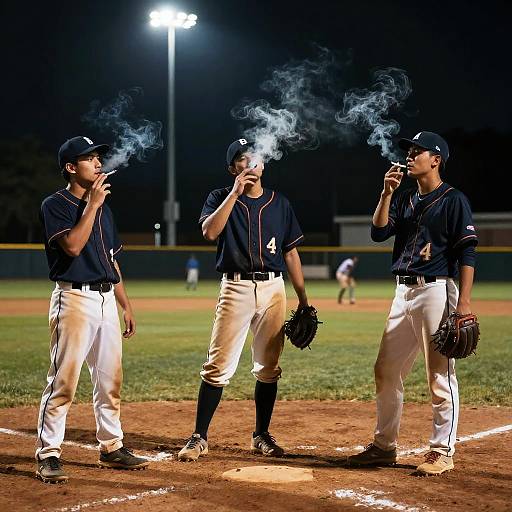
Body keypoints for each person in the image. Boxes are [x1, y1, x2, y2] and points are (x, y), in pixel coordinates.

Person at [347, 131, 477, 475]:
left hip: (436, 291)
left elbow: (467, 250)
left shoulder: (453, 199)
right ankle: (384, 446)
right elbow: (378, 232)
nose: (410, 154)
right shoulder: (404, 198)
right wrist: (386, 193)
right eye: (410, 150)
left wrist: (463, 302)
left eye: (418, 150)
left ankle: (442, 450)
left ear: (436, 160)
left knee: (440, 373)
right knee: (386, 370)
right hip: (402, 293)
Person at [178, 138, 309, 461]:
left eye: (254, 156)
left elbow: (291, 253)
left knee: (268, 367)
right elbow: (210, 232)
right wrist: (234, 193)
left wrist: (303, 300)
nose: (249, 161)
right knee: (217, 366)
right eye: (240, 158)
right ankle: (199, 436)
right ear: (231, 168)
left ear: (264, 163)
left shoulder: (280, 203)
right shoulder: (220, 197)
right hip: (235, 288)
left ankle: (261, 435)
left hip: (273, 289)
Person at [35, 136, 149, 484]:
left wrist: (125, 305)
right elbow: (71, 246)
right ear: (71, 168)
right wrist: (93, 206)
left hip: (104, 301)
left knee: (109, 379)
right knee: (64, 380)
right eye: (89, 158)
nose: (98, 163)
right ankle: (49, 452)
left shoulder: (104, 208)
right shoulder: (55, 204)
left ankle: (112, 445)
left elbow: (110, 262)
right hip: (73, 299)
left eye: (98, 157)